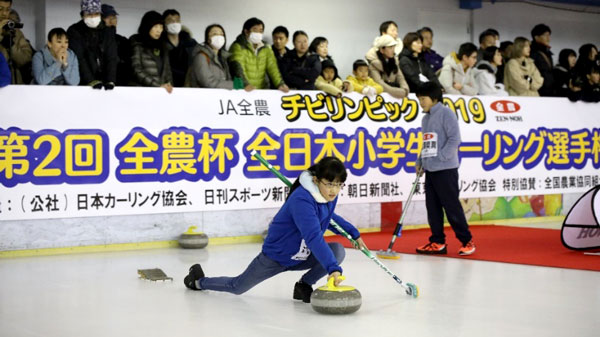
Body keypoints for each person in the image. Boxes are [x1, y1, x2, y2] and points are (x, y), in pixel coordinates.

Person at [183, 157, 367, 303]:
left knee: (337, 250)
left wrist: (353, 233)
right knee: (237, 286)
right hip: (276, 258)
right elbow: (313, 236)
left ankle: (304, 285)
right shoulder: (301, 200)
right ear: (316, 180)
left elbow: (330, 217)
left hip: (302, 256)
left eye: (338, 185)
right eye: (329, 184)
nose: (334, 190)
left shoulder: (327, 196)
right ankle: (198, 281)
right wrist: (333, 269)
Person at [414, 81, 475, 256]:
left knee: (451, 207)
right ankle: (437, 241)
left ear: (434, 98)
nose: (421, 102)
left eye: (423, 98)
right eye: (419, 99)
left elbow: (455, 139)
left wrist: (441, 158)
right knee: (432, 207)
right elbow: (427, 143)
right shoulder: (425, 119)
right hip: (430, 170)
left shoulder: (446, 114)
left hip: (446, 169)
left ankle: (467, 241)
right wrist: (420, 161)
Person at [67, 0, 117, 90]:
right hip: (83, 83)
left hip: (105, 81)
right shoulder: (74, 31)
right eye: (89, 14)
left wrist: (110, 79)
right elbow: (79, 57)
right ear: (82, 15)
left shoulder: (107, 31)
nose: (93, 17)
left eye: (96, 14)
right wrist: (90, 80)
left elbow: (111, 57)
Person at [229, 17, 288, 92]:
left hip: (261, 90)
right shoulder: (238, 46)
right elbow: (237, 69)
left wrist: (280, 84)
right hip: (243, 90)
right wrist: (245, 84)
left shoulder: (266, 47)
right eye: (255, 30)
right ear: (246, 31)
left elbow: (273, 68)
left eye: (261, 31)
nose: (258, 33)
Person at [129, 10, 173, 93]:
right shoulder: (137, 42)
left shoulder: (163, 46)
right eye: (155, 26)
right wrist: (157, 85)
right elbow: (136, 70)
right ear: (147, 26)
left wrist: (169, 86)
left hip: (159, 93)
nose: (159, 30)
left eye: (161, 27)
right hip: (140, 92)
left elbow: (168, 72)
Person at [186, 24, 233, 89]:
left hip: (220, 97)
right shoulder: (201, 56)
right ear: (208, 39)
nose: (219, 37)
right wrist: (234, 85)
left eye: (221, 34)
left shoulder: (223, 59)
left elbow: (228, 79)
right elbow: (208, 82)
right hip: (204, 97)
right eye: (214, 34)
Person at [0, 0, 33, 84]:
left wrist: (12, 46)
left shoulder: (16, 31)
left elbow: (25, 59)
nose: (4, 13)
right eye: (0, 9)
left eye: (7, 9)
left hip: (14, 84)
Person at [163, 9, 197, 87]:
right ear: (164, 25)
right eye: (170, 21)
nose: (175, 23)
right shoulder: (160, 44)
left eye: (177, 20)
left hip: (188, 85)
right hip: (168, 86)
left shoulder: (191, 43)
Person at [368, 34, 409, 99]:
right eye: (390, 47)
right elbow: (380, 84)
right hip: (378, 99)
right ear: (382, 50)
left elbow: (401, 79)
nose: (393, 50)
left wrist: (405, 89)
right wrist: (400, 92)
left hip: (393, 99)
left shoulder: (394, 62)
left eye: (394, 47)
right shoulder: (373, 65)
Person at [101, 4, 131, 86]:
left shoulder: (123, 41)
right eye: (108, 18)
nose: (112, 21)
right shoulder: (96, 41)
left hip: (122, 86)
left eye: (114, 17)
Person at [530, 24, 554, 96]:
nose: (548, 38)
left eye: (549, 35)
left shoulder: (547, 52)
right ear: (536, 37)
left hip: (549, 89)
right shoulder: (532, 52)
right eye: (545, 35)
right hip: (538, 90)